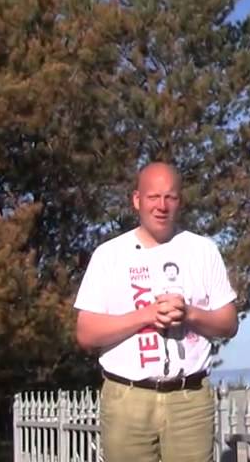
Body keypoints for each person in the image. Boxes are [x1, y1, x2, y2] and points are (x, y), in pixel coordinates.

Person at [74, 162, 239, 462]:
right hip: (127, 398)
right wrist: (146, 316)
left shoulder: (203, 250)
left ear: (180, 201)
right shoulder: (109, 255)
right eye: (153, 197)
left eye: (170, 197)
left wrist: (190, 314)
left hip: (189, 399)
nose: (161, 206)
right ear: (137, 200)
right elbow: (86, 333)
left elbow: (228, 323)